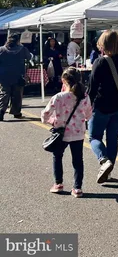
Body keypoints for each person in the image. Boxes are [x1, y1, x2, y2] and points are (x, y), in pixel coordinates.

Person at [88, 30, 118, 184]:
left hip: (101, 105)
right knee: (112, 139)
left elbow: (92, 88)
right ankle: (108, 172)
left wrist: (86, 107)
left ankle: (103, 160)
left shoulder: (100, 62)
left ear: (103, 44)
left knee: (94, 137)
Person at [41, 67, 93, 197]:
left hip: (61, 133)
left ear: (64, 81)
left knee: (57, 157)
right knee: (78, 160)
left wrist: (53, 121)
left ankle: (58, 183)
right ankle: (77, 188)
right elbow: (88, 115)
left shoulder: (58, 97)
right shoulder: (84, 97)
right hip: (78, 132)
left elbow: (45, 115)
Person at [0, 33, 33, 121]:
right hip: (18, 74)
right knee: (17, 94)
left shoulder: (1, 49)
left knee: (4, 93)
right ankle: (16, 112)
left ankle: (1, 111)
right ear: (18, 41)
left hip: (4, 75)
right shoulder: (22, 49)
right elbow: (29, 57)